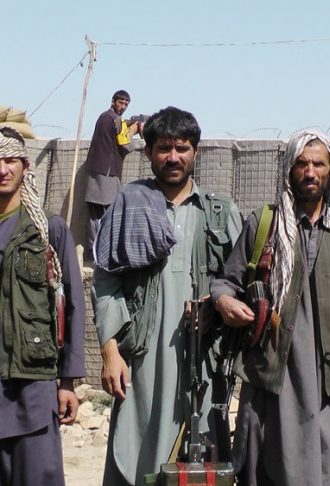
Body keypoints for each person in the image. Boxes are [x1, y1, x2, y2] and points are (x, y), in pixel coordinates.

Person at [210, 129, 330, 485]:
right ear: (289, 169)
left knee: (324, 467)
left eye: (319, 164)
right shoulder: (264, 225)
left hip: (327, 379)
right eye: (302, 164)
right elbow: (225, 281)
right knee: (265, 467)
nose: (310, 172)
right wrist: (224, 301)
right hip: (270, 374)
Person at [92, 106, 242, 486]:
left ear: (196, 151)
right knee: (136, 453)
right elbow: (105, 282)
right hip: (141, 363)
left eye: (182, 148)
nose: (173, 157)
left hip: (203, 363)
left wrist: (217, 308)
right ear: (148, 152)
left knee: (201, 460)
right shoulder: (129, 206)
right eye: (163, 148)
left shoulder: (219, 213)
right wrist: (110, 352)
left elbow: (238, 284)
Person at [0, 127, 85, 485]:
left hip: (32, 389)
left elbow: (73, 306)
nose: (2, 169)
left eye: (9, 160)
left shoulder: (49, 230)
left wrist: (67, 381)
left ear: (25, 166)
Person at [83, 89, 140, 261]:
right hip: (107, 174)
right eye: (121, 102)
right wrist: (133, 131)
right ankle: (104, 253)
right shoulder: (116, 120)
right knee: (108, 215)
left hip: (95, 172)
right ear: (113, 101)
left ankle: (93, 252)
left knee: (94, 216)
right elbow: (125, 144)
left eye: (126, 104)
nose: (123, 106)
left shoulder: (104, 117)